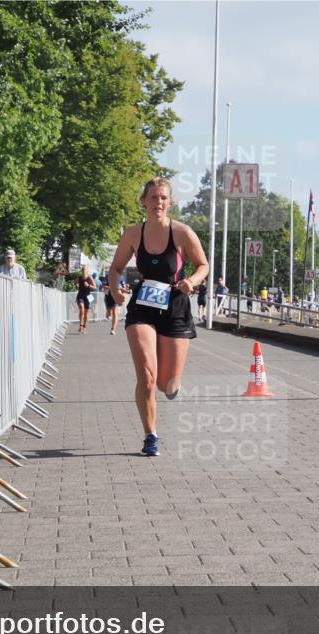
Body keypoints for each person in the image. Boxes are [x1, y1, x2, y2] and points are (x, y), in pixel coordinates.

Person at [108, 177, 209, 457]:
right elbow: (115, 268)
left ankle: (170, 385)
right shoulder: (132, 234)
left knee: (167, 383)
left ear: (170, 202)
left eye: (163, 198)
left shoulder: (182, 232)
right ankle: (150, 435)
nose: (158, 203)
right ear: (144, 201)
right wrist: (116, 290)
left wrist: (192, 280)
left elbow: (203, 265)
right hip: (143, 306)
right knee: (147, 375)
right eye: (153, 198)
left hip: (175, 307)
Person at [76, 265, 96, 333]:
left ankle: (84, 326)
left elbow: (95, 287)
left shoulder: (89, 278)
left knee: (86, 313)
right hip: (80, 295)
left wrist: (88, 285)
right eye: (83, 269)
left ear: (87, 271)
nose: (84, 270)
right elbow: (75, 283)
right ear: (81, 271)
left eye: (85, 269)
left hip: (87, 296)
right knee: (81, 309)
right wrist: (76, 285)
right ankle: (80, 325)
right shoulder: (79, 278)